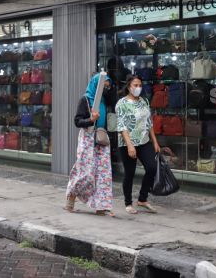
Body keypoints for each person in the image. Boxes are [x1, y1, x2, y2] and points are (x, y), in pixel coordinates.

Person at [65, 73, 114, 216]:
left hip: (102, 138)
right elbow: (77, 121)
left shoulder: (104, 101)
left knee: (103, 174)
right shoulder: (85, 100)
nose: (106, 89)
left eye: (107, 86)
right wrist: (91, 120)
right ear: (96, 85)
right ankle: (71, 196)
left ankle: (102, 206)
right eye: (103, 86)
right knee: (86, 172)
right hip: (87, 138)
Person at [116, 74, 161, 214]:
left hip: (144, 141)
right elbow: (121, 126)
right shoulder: (121, 103)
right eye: (135, 85)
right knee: (130, 173)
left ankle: (142, 198)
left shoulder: (144, 101)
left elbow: (149, 123)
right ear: (129, 87)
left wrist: (155, 142)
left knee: (152, 168)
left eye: (140, 85)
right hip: (128, 143)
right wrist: (130, 145)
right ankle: (128, 203)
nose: (138, 88)